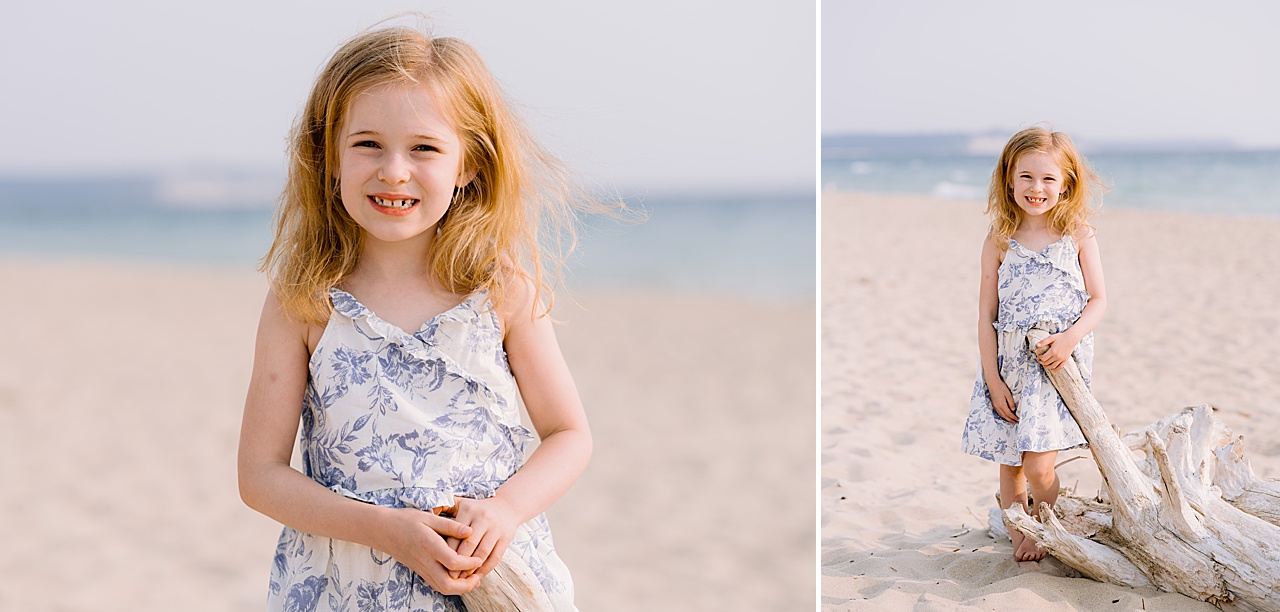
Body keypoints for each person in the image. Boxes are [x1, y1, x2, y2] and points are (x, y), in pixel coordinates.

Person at [237, 25, 599, 611]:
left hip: (488, 584)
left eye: (425, 148)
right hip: (345, 587)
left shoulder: (501, 292)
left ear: (468, 164)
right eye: (367, 144)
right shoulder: (303, 300)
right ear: (329, 155)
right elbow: (259, 475)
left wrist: (505, 509)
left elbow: (570, 435)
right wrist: (387, 530)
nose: (394, 171)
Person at [961, 127, 1107, 562]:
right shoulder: (999, 239)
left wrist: (1070, 338)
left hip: (1057, 365)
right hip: (1009, 368)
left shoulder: (1078, 235)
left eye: (1047, 179)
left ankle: (1044, 527)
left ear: (1066, 183)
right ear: (1009, 179)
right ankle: (1018, 534)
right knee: (1011, 463)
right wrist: (993, 379)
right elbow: (987, 316)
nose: (1036, 188)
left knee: (1041, 467)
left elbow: (1099, 301)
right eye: (1025, 177)